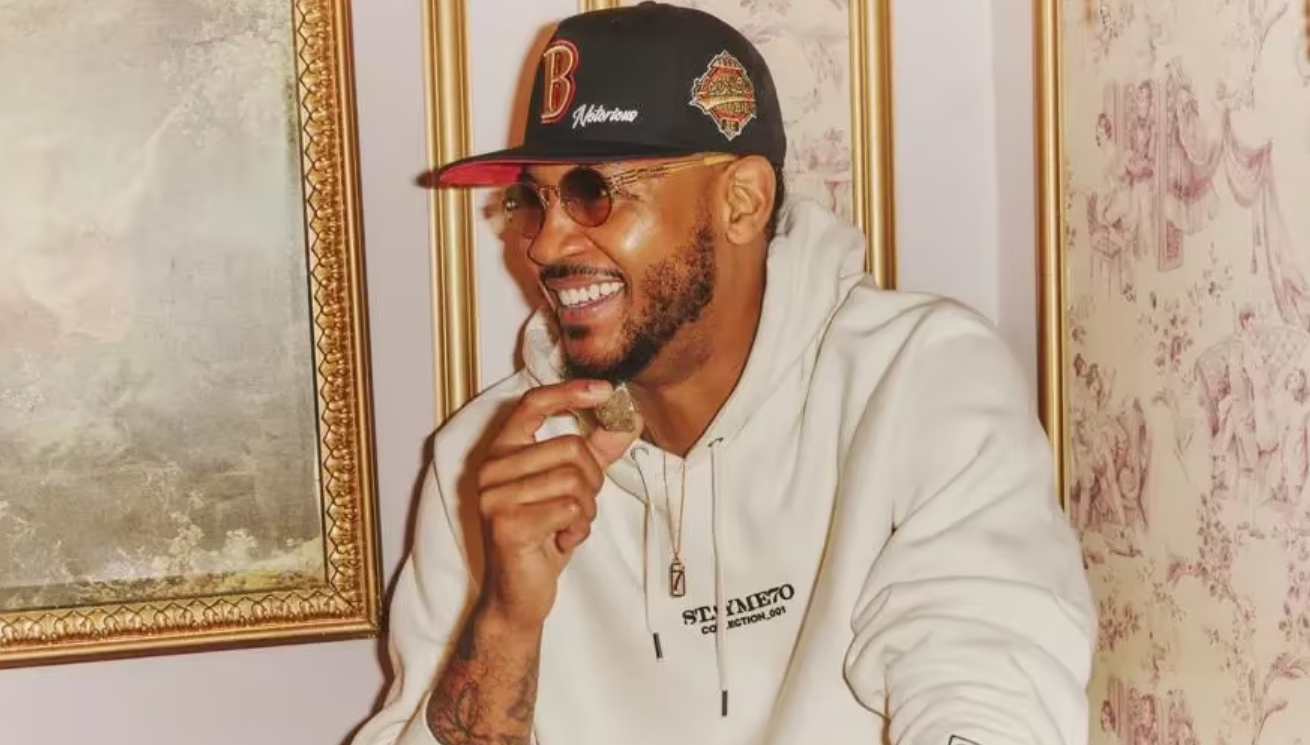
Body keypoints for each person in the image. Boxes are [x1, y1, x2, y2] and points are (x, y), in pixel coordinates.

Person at [351, 3, 1097, 745]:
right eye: (532, 202)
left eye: (590, 192)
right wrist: (507, 620)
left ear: (741, 201)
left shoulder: (918, 382)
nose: (544, 244)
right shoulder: (486, 458)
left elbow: (988, 674)